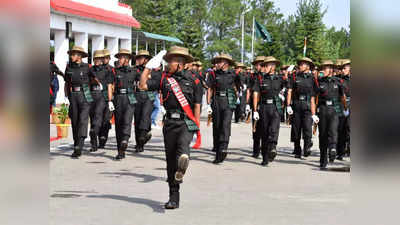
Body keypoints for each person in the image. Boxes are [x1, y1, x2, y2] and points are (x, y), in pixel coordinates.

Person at [139, 46, 202, 209]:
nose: (167, 64)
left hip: (186, 122)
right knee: (170, 162)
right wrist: (147, 67)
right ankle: (174, 197)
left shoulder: (194, 80)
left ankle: (184, 160)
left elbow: (197, 105)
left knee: (182, 149)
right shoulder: (163, 78)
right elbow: (143, 85)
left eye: (171, 61)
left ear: (180, 63)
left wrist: (197, 127)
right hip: (169, 123)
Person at [252, 57, 285, 166]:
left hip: (275, 106)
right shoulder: (260, 79)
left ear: (273, 66)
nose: (264, 68)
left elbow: (288, 87)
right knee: (264, 132)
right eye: (264, 66)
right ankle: (265, 156)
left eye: (267, 65)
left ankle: (273, 147)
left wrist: (284, 96)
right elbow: (256, 93)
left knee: (274, 128)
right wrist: (255, 110)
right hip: (264, 107)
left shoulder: (279, 78)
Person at [207, 53, 239, 164]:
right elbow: (210, 88)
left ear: (226, 63)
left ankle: (223, 148)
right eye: (218, 61)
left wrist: (237, 96)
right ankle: (217, 148)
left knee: (226, 124)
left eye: (220, 61)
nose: (218, 63)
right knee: (217, 126)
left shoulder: (234, 74)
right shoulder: (213, 74)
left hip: (228, 101)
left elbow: (238, 86)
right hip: (216, 101)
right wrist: (208, 104)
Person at [316, 60, 347, 169]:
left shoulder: (338, 82)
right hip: (323, 109)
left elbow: (342, 96)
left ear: (330, 70)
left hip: (334, 109)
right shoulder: (319, 82)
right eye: (323, 68)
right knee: (323, 135)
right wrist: (314, 112)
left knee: (333, 130)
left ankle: (333, 148)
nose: (323, 70)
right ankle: (323, 159)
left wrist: (345, 108)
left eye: (325, 68)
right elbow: (315, 98)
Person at [286, 57, 319, 159]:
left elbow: (313, 96)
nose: (300, 66)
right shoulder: (294, 77)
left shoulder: (312, 78)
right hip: (296, 105)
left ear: (308, 66)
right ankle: (297, 148)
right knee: (296, 128)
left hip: (308, 105)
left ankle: (306, 147)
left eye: (303, 64)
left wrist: (314, 113)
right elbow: (290, 91)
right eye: (299, 64)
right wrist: (288, 105)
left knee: (307, 128)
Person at [64, 46, 92, 158]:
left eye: (74, 54)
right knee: (75, 121)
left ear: (79, 56)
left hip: (85, 96)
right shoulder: (69, 67)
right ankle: (76, 144)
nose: (71, 56)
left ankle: (79, 145)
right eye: (71, 54)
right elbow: (67, 82)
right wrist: (67, 97)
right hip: (73, 96)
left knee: (83, 120)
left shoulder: (88, 67)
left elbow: (96, 79)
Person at [112, 49, 136, 160]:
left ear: (127, 59)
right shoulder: (115, 71)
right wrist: (109, 100)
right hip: (117, 98)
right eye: (119, 57)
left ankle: (125, 139)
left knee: (127, 120)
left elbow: (143, 81)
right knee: (118, 124)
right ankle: (120, 151)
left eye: (121, 57)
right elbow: (110, 85)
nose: (119, 60)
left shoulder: (134, 71)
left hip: (130, 98)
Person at [88, 50, 113, 152]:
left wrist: (110, 100)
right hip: (92, 95)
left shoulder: (108, 70)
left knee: (104, 119)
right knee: (94, 117)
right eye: (95, 59)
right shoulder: (90, 70)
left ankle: (102, 138)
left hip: (104, 96)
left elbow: (110, 86)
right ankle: (94, 142)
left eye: (99, 59)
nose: (97, 61)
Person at [133, 50, 158, 153]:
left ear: (146, 60)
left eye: (140, 58)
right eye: (137, 58)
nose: (138, 60)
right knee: (138, 118)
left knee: (145, 116)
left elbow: (156, 83)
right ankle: (139, 142)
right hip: (137, 95)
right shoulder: (135, 70)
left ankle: (143, 137)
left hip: (149, 95)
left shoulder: (153, 71)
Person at [247, 56, 266, 158]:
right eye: (257, 64)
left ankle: (264, 149)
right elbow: (249, 90)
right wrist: (247, 103)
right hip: (255, 103)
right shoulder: (253, 76)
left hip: (265, 104)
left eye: (260, 64)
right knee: (255, 127)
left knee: (264, 127)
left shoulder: (267, 76)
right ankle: (255, 150)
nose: (258, 66)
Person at [98, 49, 114, 148]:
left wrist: (111, 98)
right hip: (98, 96)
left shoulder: (112, 69)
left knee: (106, 119)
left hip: (109, 96)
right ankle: (100, 137)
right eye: (103, 58)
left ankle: (104, 137)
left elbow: (115, 83)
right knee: (98, 118)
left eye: (107, 58)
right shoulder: (97, 69)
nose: (105, 59)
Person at [337, 59, 351, 159]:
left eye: (344, 68)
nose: (342, 70)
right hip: (342, 104)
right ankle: (340, 152)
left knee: (350, 129)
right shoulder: (338, 79)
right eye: (341, 68)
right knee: (341, 129)